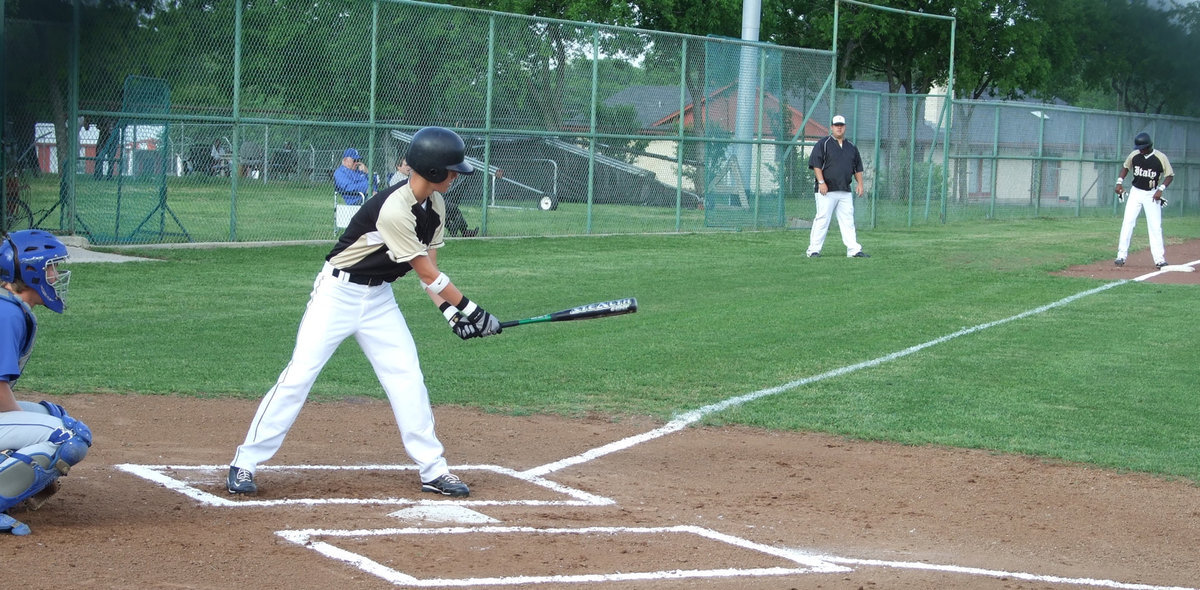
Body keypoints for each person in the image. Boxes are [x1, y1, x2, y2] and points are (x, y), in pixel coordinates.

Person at [227, 126, 500, 499]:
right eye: (452, 170)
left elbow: (431, 271)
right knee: (299, 375)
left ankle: (433, 469)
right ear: (433, 171)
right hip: (336, 295)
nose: (456, 176)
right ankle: (245, 462)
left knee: (407, 376)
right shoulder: (393, 209)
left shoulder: (435, 206)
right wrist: (473, 310)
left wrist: (451, 315)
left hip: (378, 300)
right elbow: (426, 272)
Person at [0, 230, 92, 535]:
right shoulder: (7, 314)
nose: (55, 275)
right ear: (31, 271)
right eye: (50, 267)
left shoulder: (8, 305)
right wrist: (40, 458)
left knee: (56, 417)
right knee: (68, 438)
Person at [806, 115, 869, 259]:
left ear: (845, 127)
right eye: (836, 125)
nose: (839, 127)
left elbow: (857, 168)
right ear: (831, 127)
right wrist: (821, 183)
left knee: (848, 220)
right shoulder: (824, 144)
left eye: (841, 125)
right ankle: (813, 250)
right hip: (826, 190)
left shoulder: (851, 147)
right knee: (822, 219)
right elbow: (816, 165)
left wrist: (860, 184)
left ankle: (853, 250)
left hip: (845, 190)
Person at [1114, 132, 1174, 268]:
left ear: (1149, 146)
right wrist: (1119, 182)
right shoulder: (1134, 155)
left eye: (1142, 148)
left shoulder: (1160, 157)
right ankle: (1121, 256)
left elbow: (1170, 175)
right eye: (1139, 148)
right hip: (1136, 192)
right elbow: (1125, 167)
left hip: (1152, 194)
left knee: (1155, 226)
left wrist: (1161, 189)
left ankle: (1159, 259)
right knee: (1128, 222)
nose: (1140, 150)